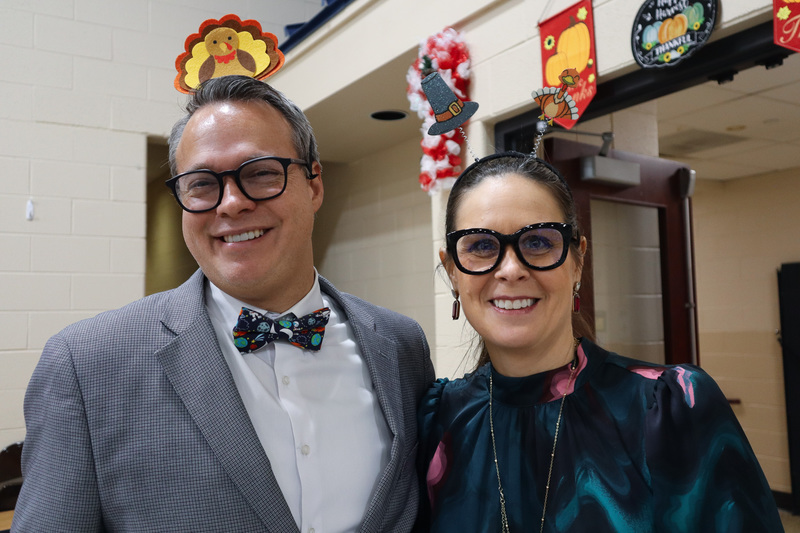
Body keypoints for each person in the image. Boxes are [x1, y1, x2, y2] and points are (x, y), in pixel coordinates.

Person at [14, 75, 434, 533]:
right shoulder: (86, 366)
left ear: (314, 185)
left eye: (260, 173)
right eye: (201, 184)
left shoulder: (400, 345)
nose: (231, 204)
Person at [416, 152, 784, 532]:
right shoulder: (436, 422)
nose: (511, 269)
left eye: (539, 241)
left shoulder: (669, 410)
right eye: (480, 246)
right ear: (452, 271)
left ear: (578, 262)